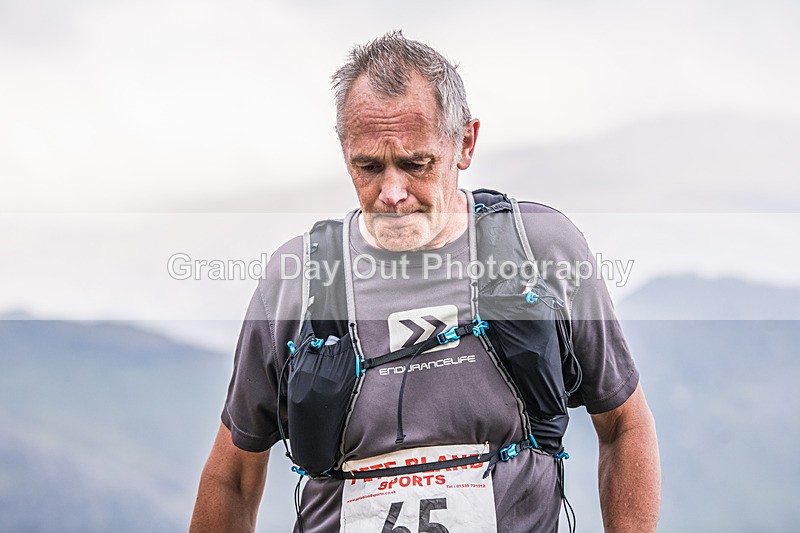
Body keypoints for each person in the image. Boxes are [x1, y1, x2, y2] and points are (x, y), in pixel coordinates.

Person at [190, 31, 660, 532]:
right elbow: (234, 477)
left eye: (416, 164)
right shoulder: (296, 281)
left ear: (465, 143)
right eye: (367, 166)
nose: (392, 192)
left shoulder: (541, 250)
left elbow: (624, 425)